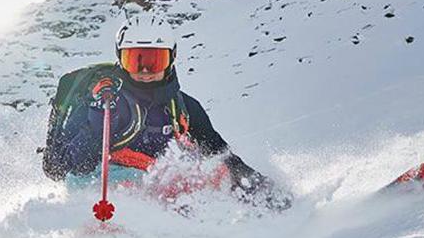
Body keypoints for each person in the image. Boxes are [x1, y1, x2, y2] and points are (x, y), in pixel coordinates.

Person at [43, 17, 289, 210]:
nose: (145, 70)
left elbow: (218, 152)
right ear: (120, 59)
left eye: (155, 60)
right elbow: (64, 167)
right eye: (135, 60)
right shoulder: (102, 100)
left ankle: (260, 212)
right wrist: (95, 125)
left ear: (171, 58)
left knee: (210, 175)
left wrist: (257, 184)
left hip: (158, 187)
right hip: (104, 192)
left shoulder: (183, 107)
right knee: (179, 184)